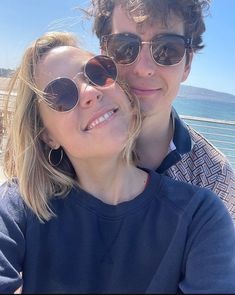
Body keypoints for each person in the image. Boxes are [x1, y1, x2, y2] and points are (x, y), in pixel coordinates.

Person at [0, 31, 235, 294]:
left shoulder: (200, 215)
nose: (90, 92)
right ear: (47, 135)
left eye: (97, 72)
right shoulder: (18, 207)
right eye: (61, 94)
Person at [89, 0, 235, 221]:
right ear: (104, 56)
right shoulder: (69, 148)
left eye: (167, 49)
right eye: (125, 47)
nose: (143, 68)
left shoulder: (214, 179)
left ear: (187, 65)